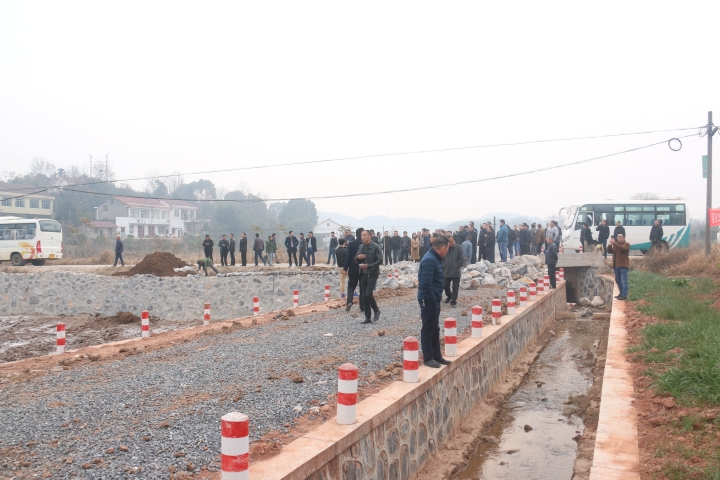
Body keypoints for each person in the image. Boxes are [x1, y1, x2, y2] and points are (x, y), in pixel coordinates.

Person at [417, 234, 451, 369]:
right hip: (428, 299)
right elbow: (426, 283)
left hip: (434, 298)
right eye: (447, 249)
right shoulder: (429, 260)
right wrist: (431, 300)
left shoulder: (435, 258)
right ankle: (428, 357)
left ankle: (436, 355)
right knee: (428, 328)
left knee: (435, 328)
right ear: (443, 248)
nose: (447, 251)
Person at [355, 230, 383, 324]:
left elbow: (380, 260)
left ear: (370, 236)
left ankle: (376, 310)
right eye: (361, 235)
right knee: (363, 296)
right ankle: (368, 318)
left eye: (364, 235)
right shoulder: (361, 247)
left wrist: (369, 266)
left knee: (368, 294)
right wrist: (358, 258)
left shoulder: (375, 247)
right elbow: (355, 260)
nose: (362, 237)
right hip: (362, 274)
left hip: (372, 274)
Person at [344, 228, 365, 312]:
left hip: (353, 268)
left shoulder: (352, 244)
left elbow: (348, 257)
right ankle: (362, 306)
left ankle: (349, 301)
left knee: (351, 286)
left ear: (356, 235)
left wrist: (345, 268)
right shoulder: (365, 244)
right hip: (363, 269)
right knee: (362, 287)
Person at [443, 235, 464, 308]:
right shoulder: (445, 248)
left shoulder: (459, 248)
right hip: (447, 271)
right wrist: (444, 265)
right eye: (448, 242)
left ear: (454, 241)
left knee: (455, 287)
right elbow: (442, 258)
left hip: (455, 272)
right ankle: (449, 296)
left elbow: (461, 259)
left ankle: (453, 301)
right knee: (445, 285)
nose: (450, 244)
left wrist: (456, 266)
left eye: (451, 242)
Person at [608, 233, 630, 300]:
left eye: (620, 237)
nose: (618, 238)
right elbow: (610, 251)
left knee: (623, 280)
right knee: (618, 280)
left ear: (623, 238)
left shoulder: (626, 244)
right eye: (617, 237)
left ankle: (624, 295)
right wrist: (610, 245)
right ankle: (621, 293)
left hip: (623, 265)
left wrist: (614, 243)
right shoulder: (616, 245)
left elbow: (622, 248)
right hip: (616, 266)